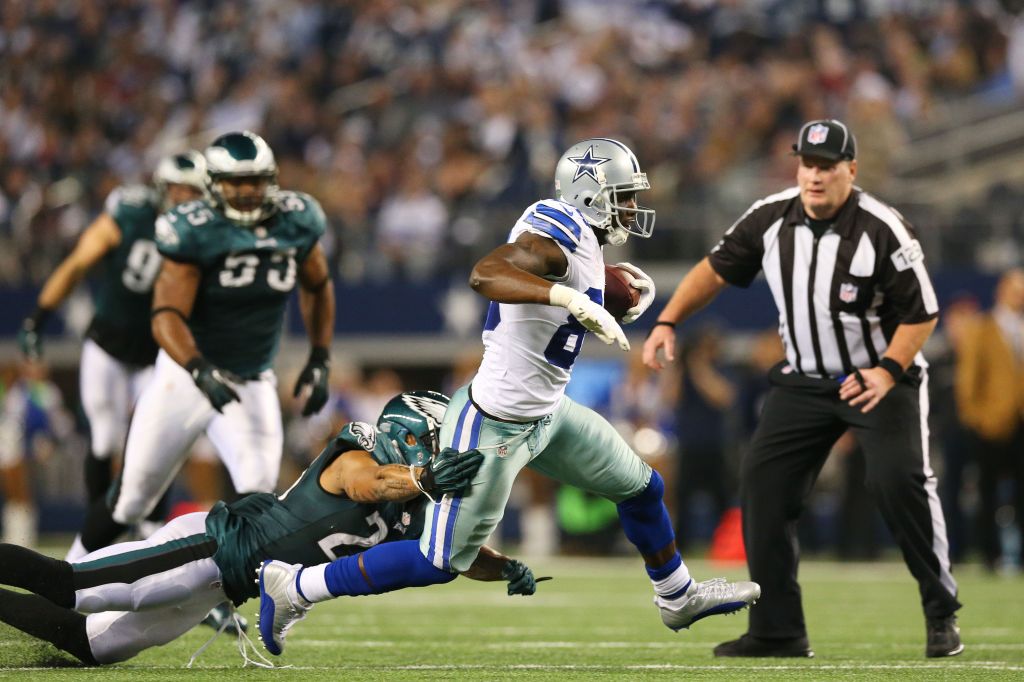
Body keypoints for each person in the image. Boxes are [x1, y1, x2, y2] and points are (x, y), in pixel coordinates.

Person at [255, 138, 759, 656]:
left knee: (642, 487)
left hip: (549, 413)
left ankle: (676, 596)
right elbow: (486, 273)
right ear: (592, 194)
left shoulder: (584, 238)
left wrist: (607, 291)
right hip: (493, 423)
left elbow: (574, 280)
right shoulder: (552, 228)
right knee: (439, 561)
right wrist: (565, 296)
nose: (631, 208)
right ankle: (295, 586)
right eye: (624, 196)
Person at [643, 119, 962, 659]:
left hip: (880, 379)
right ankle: (777, 630)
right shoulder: (771, 217)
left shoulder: (883, 228)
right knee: (762, 486)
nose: (814, 176)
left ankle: (940, 611)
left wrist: (885, 370)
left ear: (850, 171)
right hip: (805, 379)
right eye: (807, 164)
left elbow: (922, 313)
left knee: (899, 481)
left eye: (827, 166)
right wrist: (667, 319)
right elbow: (715, 270)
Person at [0, 391, 539, 666]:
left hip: (228, 586)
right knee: (77, 588)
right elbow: (368, 484)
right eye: (439, 443)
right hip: (212, 548)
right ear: (415, 434)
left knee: (93, 648)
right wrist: (422, 476)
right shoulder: (360, 455)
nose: (447, 456)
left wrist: (505, 567)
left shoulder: (413, 506)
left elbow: (450, 553)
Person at [69, 130, 336, 561]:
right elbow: (166, 315)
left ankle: (217, 594)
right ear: (213, 183)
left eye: (255, 179)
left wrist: (321, 355)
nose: (247, 190)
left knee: (259, 500)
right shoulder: (191, 228)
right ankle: (69, 571)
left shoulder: (297, 220)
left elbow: (318, 286)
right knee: (131, 501)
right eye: (235, 181)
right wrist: (198, 368)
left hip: (251, 377)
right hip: (186, 375)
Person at [17, 152, 207, 505]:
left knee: (155, 441)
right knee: (105, 438)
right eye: (178, 189)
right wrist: (37, 319)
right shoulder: (131, 214)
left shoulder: (208, 233)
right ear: (161, 189)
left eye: (193, 191)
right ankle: (97, 527)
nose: (184, 199)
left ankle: (150, 529)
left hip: (156, 352)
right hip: (108, 345)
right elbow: (77, 264)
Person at [955, 269, 1024, 571]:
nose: (1019, 296)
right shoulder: (982, 328)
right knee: (987, 490)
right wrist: (976, 417)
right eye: (1014, 290)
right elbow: (968, 378)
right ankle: (989, 554)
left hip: (1021, 422)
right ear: (1001, 291)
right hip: (992, 423)